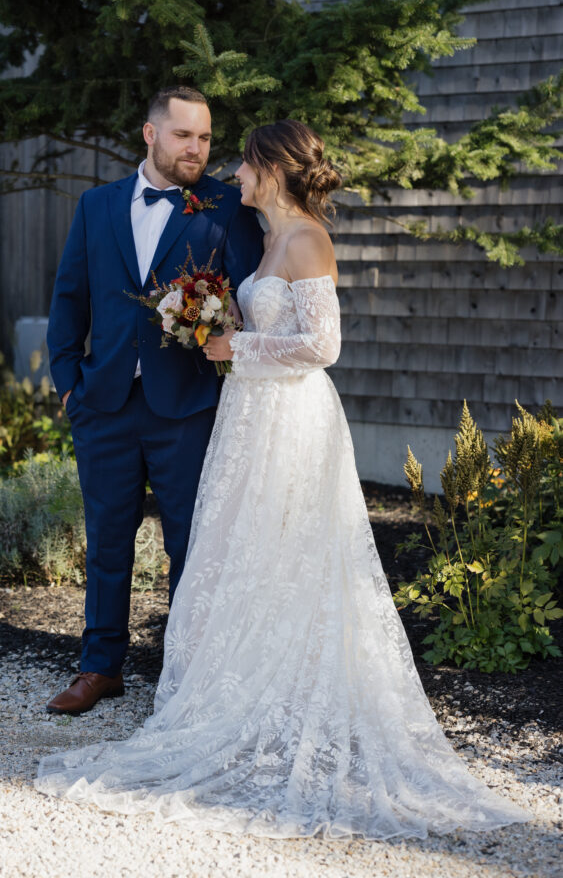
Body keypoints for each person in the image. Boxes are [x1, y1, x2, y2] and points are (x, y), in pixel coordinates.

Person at [36, 120, 531, 839]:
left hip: (292, 419)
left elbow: (323, 346)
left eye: (242, 159)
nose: (230, 168)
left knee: (291, 550)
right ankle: (226, 688)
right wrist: (214, 321)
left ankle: (288, 697)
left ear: (271, 168)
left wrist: (236, 342)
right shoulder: (267, 238)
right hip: (248, 413)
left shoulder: (304, 238)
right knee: (242, 553)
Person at [43, 86, 264, 716]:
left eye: (204, 138)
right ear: (150, 133)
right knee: (107, 538)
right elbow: (69, 297)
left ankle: (187, 676)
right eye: (183, 135)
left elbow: (252, 295)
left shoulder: (226, 204)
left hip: (187, 405)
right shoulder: (96, 206)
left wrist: (231, 338)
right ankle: (98, 667)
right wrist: (69, 383)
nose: (196, 148)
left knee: (189, 544)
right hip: (104, 403)